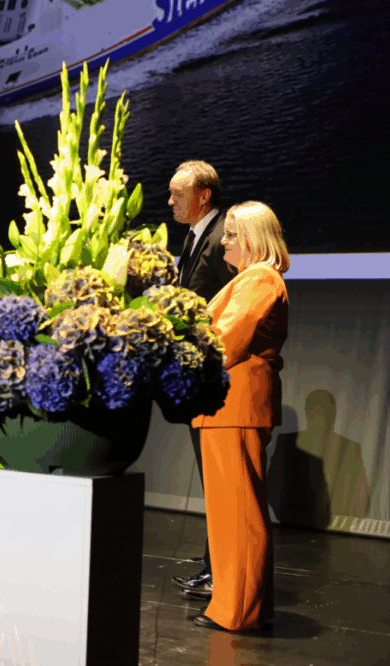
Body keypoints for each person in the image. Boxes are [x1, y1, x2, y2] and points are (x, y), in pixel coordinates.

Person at [189, 201, 289, 631]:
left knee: (238, 512)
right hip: (229, 406)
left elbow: (226, 340)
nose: (224, 242)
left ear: (253, 238)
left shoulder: (260, 278)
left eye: (231, 234)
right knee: (230, 511)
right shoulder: (252, 278)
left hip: (237, 404)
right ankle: (238, 606)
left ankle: (239, 611)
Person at [168, 161, 237, 598]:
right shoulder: (195, 236)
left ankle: (221, 572)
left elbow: (233, 305)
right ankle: (215, 566)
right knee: (211, 478)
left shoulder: (220, 239)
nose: (170, 202)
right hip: (199, 377)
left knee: (219, 481)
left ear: (203, 196)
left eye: (178, 194)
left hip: (216, 378)